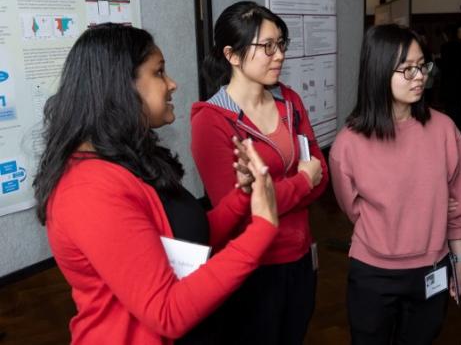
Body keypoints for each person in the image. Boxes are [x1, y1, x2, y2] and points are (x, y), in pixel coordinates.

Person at [33, 23, 279, 345]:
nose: (172, 84)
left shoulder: (125, 159)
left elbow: (183, 241)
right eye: (159, 72)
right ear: (120, 86)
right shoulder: (88, 190)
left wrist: (241, 197)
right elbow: (167, 312)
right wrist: (262, 227)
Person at [329, 24, 461, 344]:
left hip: (432, 268)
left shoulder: (444, 130)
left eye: (422, 65)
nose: (420, 76)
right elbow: (352, 210)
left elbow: (460, 203)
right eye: (407, 69)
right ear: (378, 71)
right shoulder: (348, 144)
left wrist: (459, 262)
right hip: (372, 274)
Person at [191, 1, 329, 344]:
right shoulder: (212, 121)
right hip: (252, 265)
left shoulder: (290, 101)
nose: (279, 54)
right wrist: (301, 180)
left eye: (281, 44)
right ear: (232, 55)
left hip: (300, 256)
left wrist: (275, 191)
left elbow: (321, 174)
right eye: (267, 46)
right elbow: (238, 208)